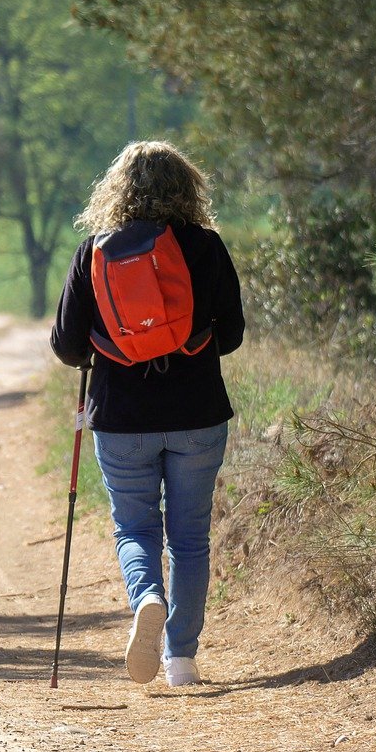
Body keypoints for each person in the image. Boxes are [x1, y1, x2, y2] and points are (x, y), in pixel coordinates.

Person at [50, 140, 244, 686]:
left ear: (116, 190)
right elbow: (231, 335)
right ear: (189, 187)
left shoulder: (95, 250)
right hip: (198, 415)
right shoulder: (206, 247)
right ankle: (181, 660)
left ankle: (147, 598)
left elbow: (66, 347)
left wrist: (110, 342)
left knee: (135, 526)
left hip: (120, 416)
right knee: (189, 537)